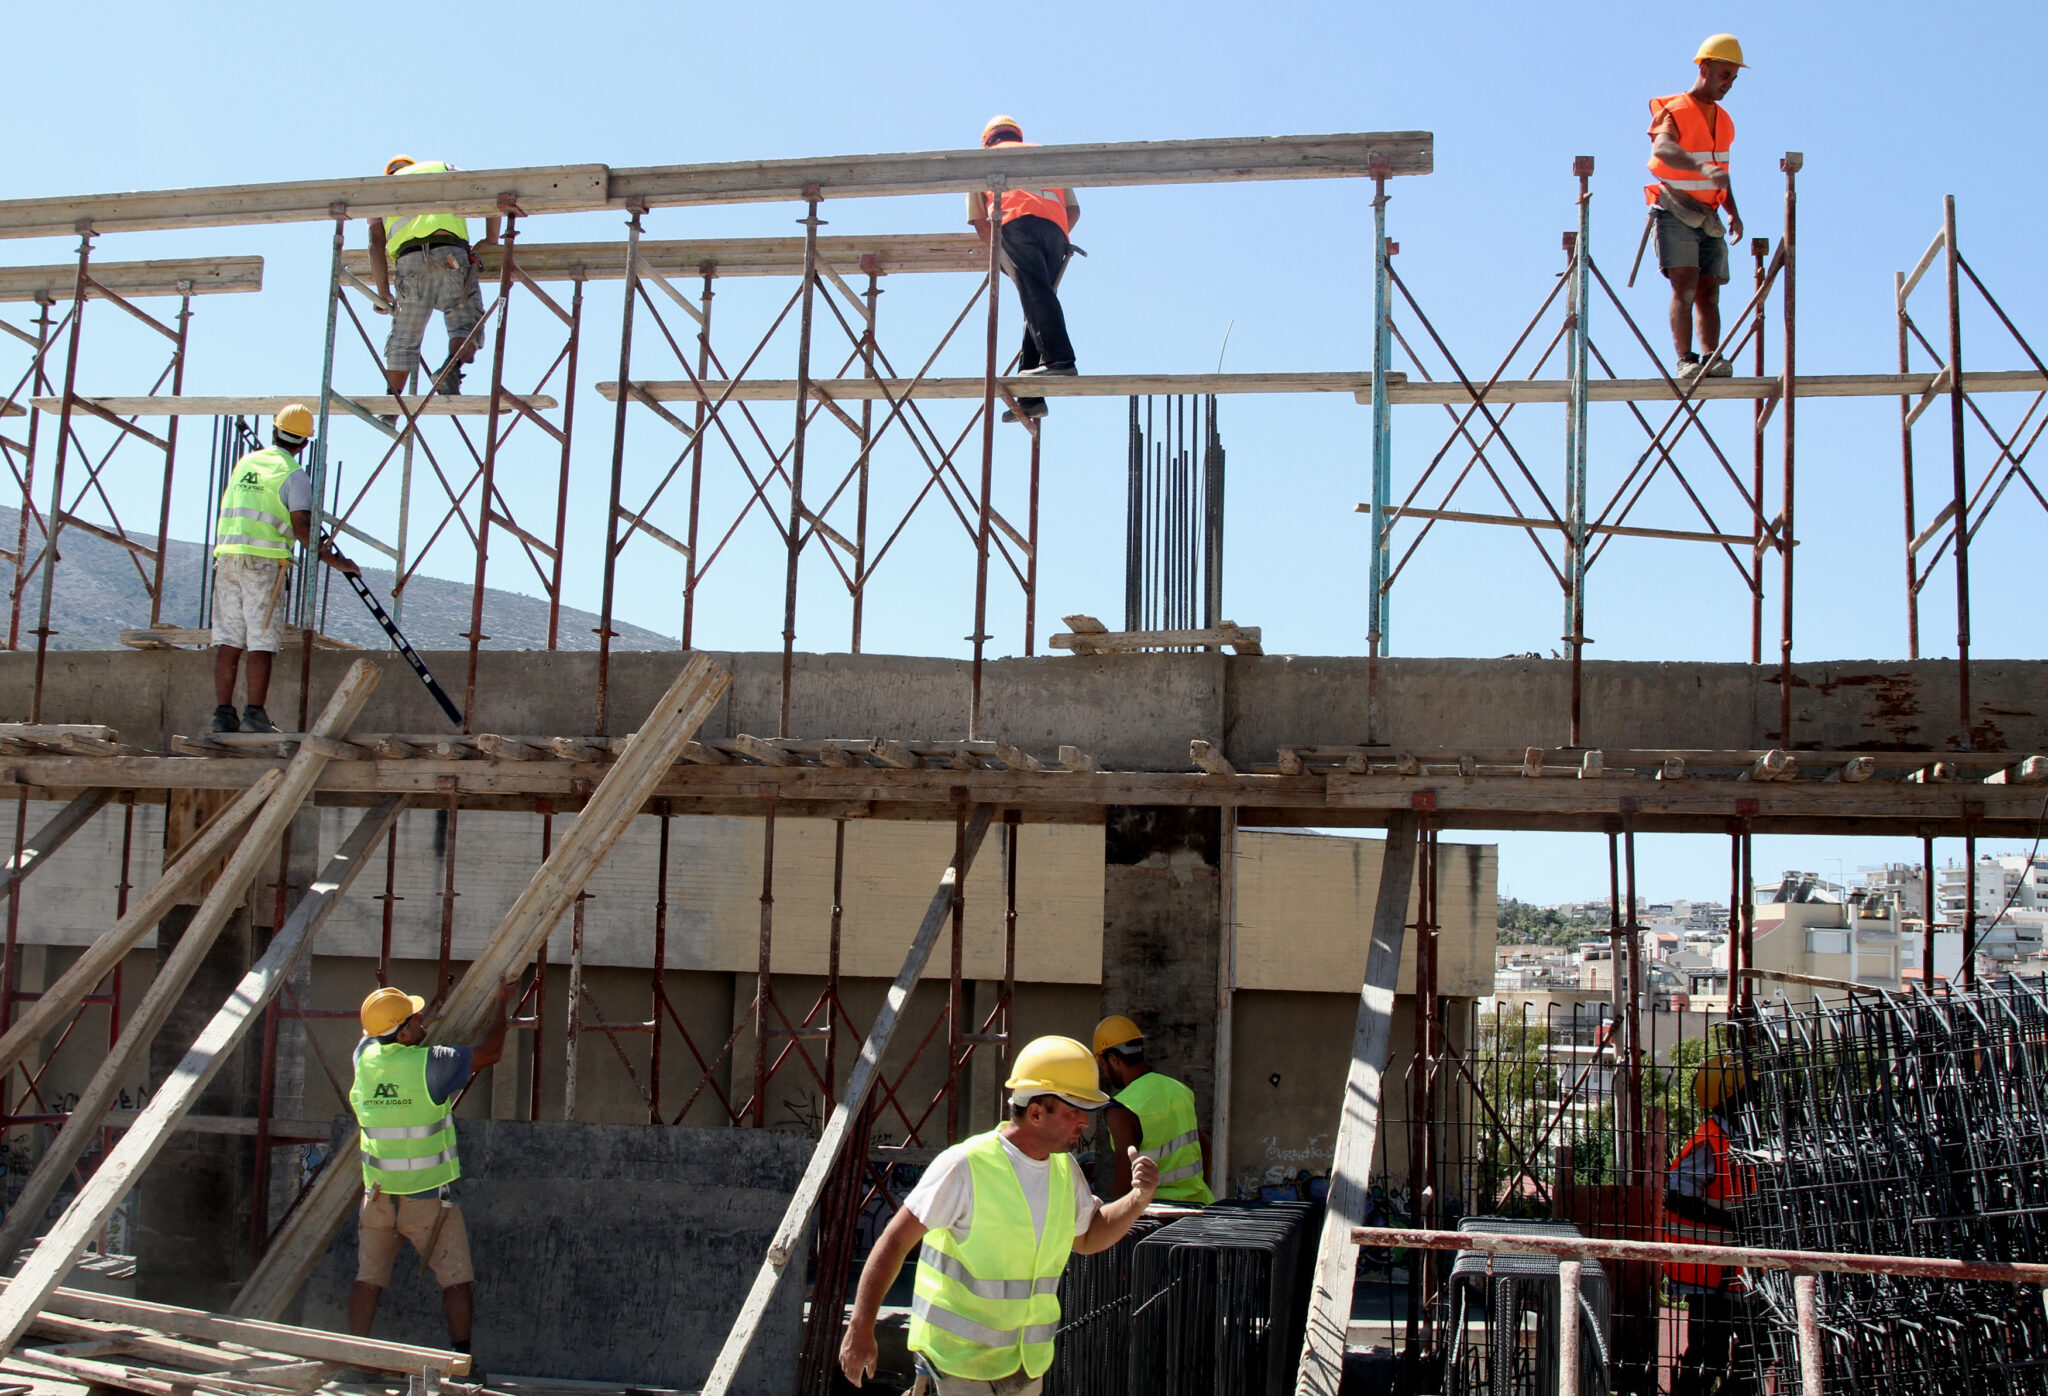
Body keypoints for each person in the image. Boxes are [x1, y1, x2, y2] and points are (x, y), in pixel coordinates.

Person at [840, 1036, 1157, 1395]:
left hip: (1025, 1366)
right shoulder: (965, 1166)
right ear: (1036, 1113)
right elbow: (895, 1242)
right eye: (1074, 1110)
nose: (1085, 1122)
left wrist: (1138, 1199)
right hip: (958, 1369)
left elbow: (1087, 1237)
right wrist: (861, 1328)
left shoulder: (1064, 1170)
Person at [347, 979, 517, 1377]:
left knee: (368, 1278)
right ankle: (461, 1364)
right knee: (456, 1280)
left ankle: (356, 1362)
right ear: (403, 1033)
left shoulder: (363, 1057)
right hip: (428, 1202)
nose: (424, 1022)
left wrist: (397, 1021)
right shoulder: (432, 1063)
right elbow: (491, 1052)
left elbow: (371, 1033)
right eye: (416, 1019)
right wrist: (500, 1006)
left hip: (377, 1199)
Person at [209, 405, 359, 734]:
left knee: (230, 642)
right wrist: (337, 562)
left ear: (274, 431)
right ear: (305, 444)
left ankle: (223, 716)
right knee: (261, 641)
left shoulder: (245, 463)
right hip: (262, 565)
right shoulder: (294, 475)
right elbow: (303, 528)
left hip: (227, 559)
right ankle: (254, 715)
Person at [967, 116, 1081, 425]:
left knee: (1034, 292)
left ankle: (1060, 359)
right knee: (1037, 295)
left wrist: (1000, 254)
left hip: (1015, 224)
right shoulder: (1043, 152)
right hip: (1057, 233)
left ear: (988, 141)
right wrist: (1056, 235)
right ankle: (1031, 396)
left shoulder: (980, 160)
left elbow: (980, 222)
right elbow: (1074, 209)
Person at [1646, 35, 1747, 381]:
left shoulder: (1725, 120)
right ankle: (1685, 360)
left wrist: (1732, 211)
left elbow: (1722, 173)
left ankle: (1711, 357)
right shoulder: (1674, 110)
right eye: (1724, 75)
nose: (1729, 84)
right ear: (1704, 69)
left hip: (1709, 214)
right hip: (1675, 208)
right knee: (1684, 285)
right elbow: (1663, 151)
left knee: (1709, 289)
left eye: (1733, 77)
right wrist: (1700, 168)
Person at [368, 157, 500, 398]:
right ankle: (449, 370)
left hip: (410, 263)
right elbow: (489, 189)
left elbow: (375, 243)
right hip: (450, 254)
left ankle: (392, 405)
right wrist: (492, 238)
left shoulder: (381, 190)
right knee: (466, 322)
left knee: (405, 336)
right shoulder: (441, 169)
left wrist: (382, 290)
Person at [1664, 1051, 1755, 1396]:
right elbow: (1675, 1195)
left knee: (1752, 1352)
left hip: (1736, 1269)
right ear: (1731, 1096)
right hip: (1707, 1270)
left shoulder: (1743, 1139)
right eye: (1752, 1089)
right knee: (1708, 1354)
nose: (1758, 1097)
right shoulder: (1711, 1141)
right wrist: (1731, 1220)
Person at [1091, 1015, 1214, 1205]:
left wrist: (1110, 1222)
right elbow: (1204, 1148)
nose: (1105, 1072)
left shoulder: (1122, 1108)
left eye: (1103, 1064)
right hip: (1199, 1205)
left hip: (1156, 1215)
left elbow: (1125, 1179)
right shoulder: (1179, 1090)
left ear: (1114, 1058)